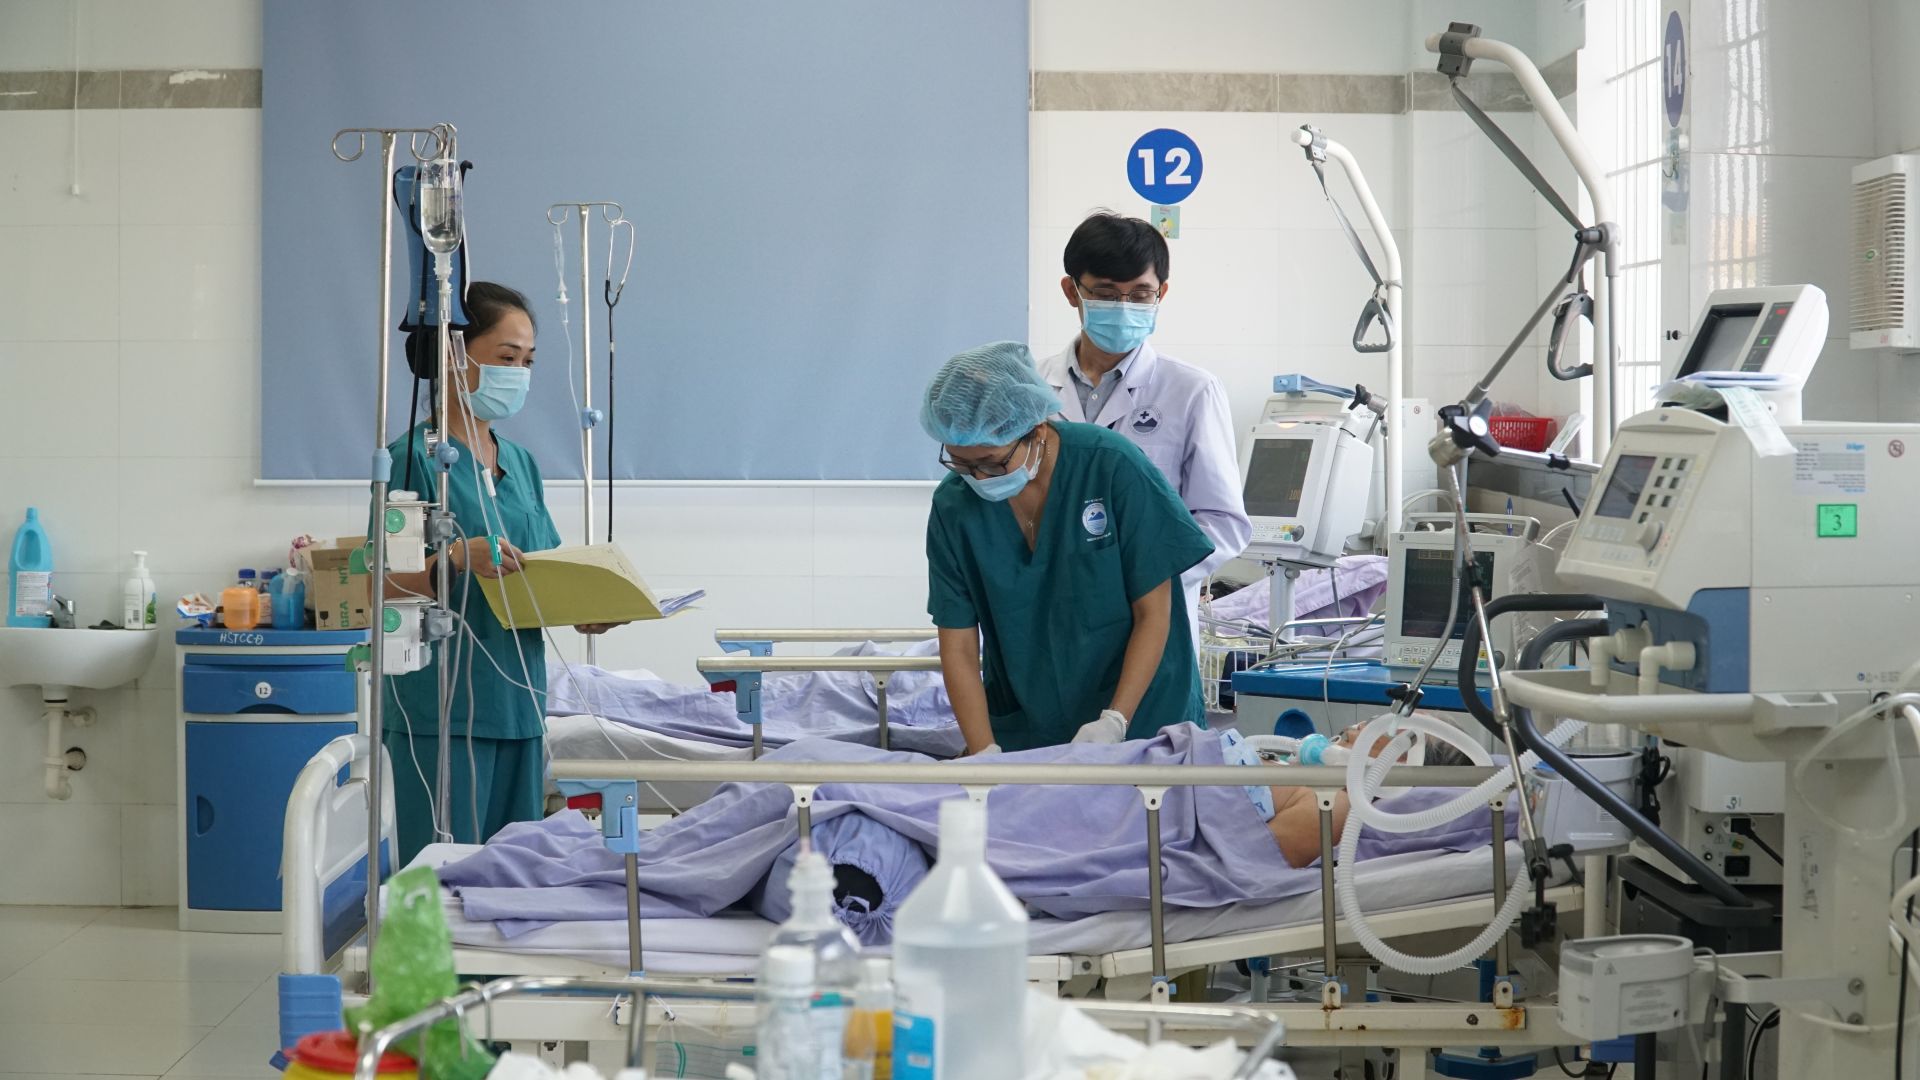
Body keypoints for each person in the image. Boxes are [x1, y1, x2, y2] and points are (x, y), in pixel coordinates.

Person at [376, 281, 615, 861]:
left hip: (519, 705)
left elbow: (543, 570)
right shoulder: (413, 458)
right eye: (507, 358)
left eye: (527, 362)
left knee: (513, 875)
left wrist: (587, 607)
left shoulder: (521, 463)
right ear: (454, 356)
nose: (519, 374)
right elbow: (374, 584)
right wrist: (455, 559)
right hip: (440, 712)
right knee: (439, 879)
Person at [921, 341, 1215, 753]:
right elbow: (959, 646)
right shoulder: (955, 506)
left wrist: (1116, 720)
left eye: (991, 462)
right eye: (961, 463)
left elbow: (1153, 612)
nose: (978, 479)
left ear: (1037, 430)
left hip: (1145, 715)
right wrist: (983, 752)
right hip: (1029, 722)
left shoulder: (1110, 465)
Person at [1038, 212, 1252, 651]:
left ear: (1161, 294)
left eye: (1140, 294)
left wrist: (1144, 576)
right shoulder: (1032, 388)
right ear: (1071, 291)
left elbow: (1223, 521)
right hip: (1053, 611)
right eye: (1105, 294)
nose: (1123, 307)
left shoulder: (1191, 391)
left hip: (1154, 616)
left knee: (1150, 696)